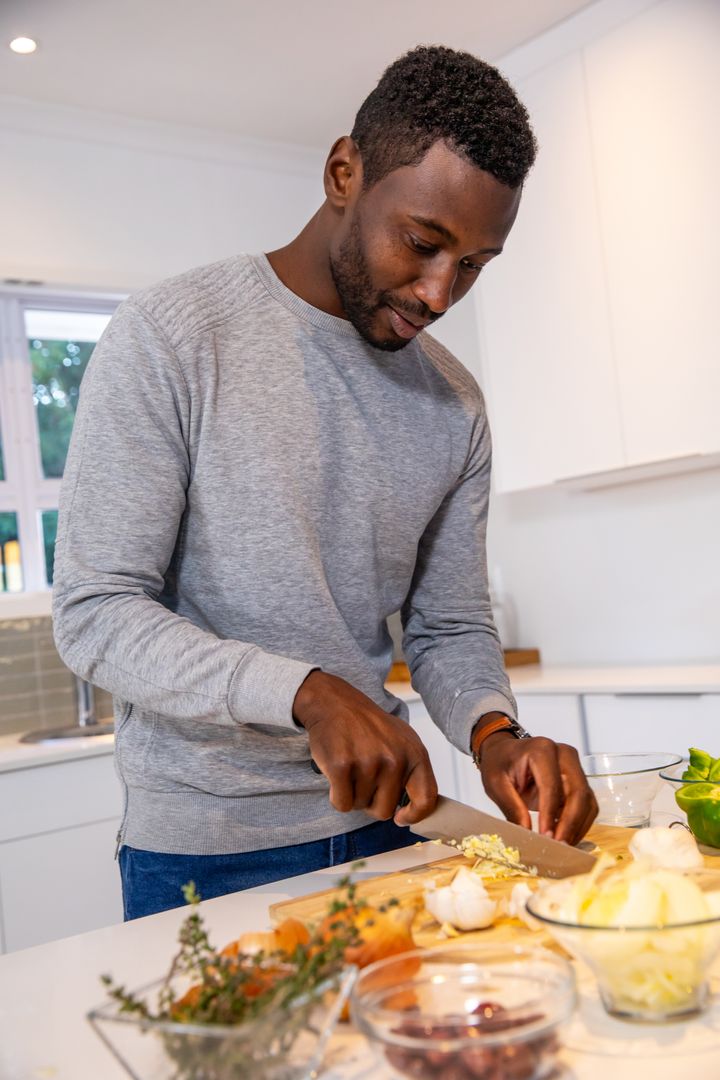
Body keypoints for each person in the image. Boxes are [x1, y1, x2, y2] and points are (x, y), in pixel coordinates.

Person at [53, 45, 598, 920]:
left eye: (473, 265)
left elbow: (449, 624)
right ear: (344, 170)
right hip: (207, 854)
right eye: (423, 243)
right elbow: (95, 612)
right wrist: (306, 691)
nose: (439, 293)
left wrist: (498, 733)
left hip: (397, 833)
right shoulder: (172, 338)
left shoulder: (454, 404)